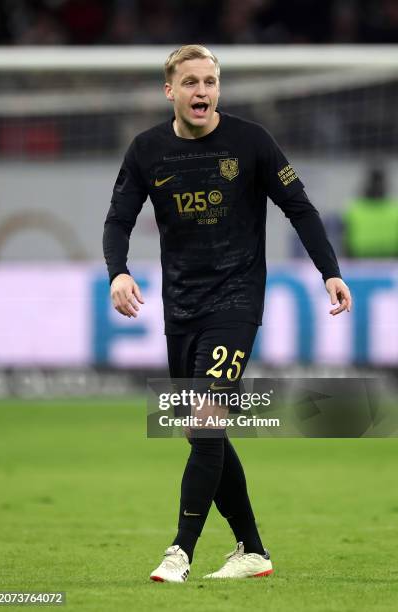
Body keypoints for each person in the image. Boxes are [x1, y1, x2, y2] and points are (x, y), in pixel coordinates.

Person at [102, 44, 352, 583]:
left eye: (210, 82)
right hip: (181, 308)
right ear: (169, 90)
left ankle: (180, 551)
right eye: (190, 82)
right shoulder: (147, 150)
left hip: (237, 301)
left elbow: (300, 208)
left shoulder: (252, 142)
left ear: (219, 87)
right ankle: (253, 550)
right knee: (202, 435)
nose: (201, 92)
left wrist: (329, 270)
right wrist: (118, 272)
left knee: (205, 420)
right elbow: (118, 218)